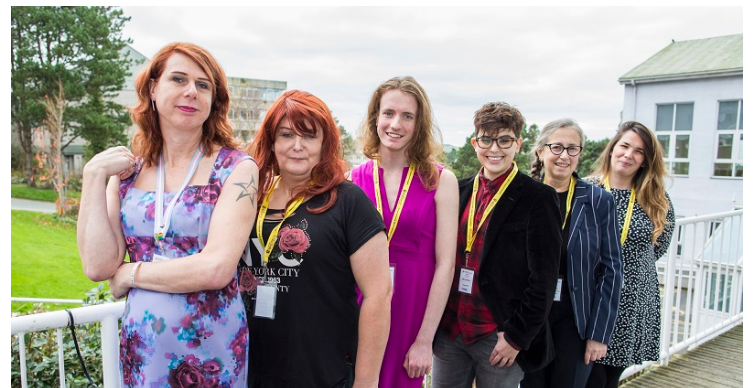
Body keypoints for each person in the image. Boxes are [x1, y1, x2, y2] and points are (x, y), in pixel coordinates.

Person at [77, 42, 259, 387]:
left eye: (203, 85)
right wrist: (93, 177)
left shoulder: (235, 168)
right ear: (153, 89)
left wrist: (131, 273)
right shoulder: (128, 173)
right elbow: (98, 266)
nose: (191, 91)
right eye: (179, 79)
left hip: (210, 355)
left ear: (213, 101)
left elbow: (216, 268)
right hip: (143, 351)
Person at [238, 89, 392, 388]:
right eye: (286, 135)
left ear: (325, 145)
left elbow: (379, 295)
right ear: (271, 141)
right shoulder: (249, 197)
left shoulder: (348, 202)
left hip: (322, 372)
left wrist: (366, 382)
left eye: (309, 136)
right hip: (248, 370)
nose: (297, 146)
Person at [432, 102, 561, 388]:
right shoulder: (457, 189)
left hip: (498, 336)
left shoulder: (537, 198)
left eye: (504, 140)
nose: (495, 149)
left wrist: (516, 338)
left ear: (518, 144)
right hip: (450, 330)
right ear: (474, 142)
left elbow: (544, 279)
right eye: (487, 140)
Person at [350, 76, 458, 388]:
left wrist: (425, 340)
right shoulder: (350, 179)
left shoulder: (440, 181)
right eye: (388, 113)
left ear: (419, 123)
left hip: (411, 312)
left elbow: (446, 265)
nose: (395, 124)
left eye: (407, 116)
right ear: (376, 118)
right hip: (361, 307)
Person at [520, 119, 623, 388]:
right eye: (557, 147)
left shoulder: (599, 200)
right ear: (540, 152)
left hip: (576, 318)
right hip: (529, 316)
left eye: (572, 149)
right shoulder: (522, 196)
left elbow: (611, 269)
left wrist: (599, 334)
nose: (564, 156)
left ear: (579, 154)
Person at [584, 121, 676, 388]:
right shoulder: (585, 190)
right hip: (592, 300)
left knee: (610, 379)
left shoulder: (657, 199)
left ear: (646, 160)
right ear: (612, 149)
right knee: (590, 377)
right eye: (624, 146)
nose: (628, 155)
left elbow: (658, 247)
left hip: (632, 302)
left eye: (638, 151)